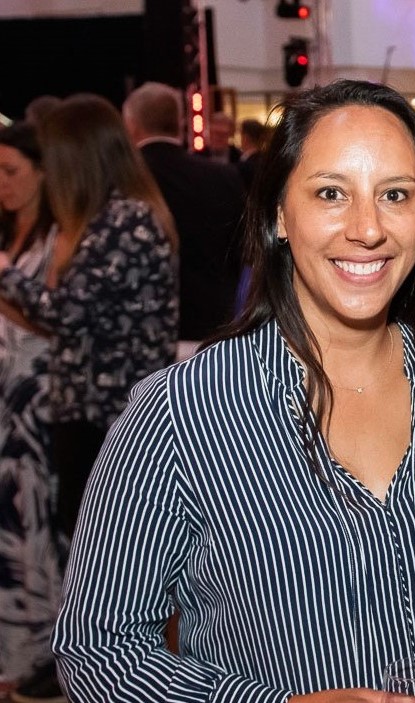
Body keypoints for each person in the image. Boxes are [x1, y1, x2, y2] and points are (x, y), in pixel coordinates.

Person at [50, 79, 415, 703]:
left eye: (395, 195)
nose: (367, 229)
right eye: (331, 194)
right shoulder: (181, 411)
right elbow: (96, 650)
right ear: (280, 214)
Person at [0, 94, 180, 702]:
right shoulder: (111, 216)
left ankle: (108, 673)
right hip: (90, 409)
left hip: (115, 416)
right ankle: (80, 663)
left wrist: (2, 270)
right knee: (81, 546)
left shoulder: (124, 219)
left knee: (109, 562)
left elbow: (69, 313)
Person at [0, 122, 60, 698]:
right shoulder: (13, 234)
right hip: (5, 408)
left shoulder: (60, 237)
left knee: (35, 531)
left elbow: (57, 321)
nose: (3, 184)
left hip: (35, 408)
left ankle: (40, 655)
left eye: (12, 171)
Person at [123, 82, 247, 350]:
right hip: (215, 329)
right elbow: (243, 251)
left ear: (131, 125)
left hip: (145, 336)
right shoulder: (223, 177)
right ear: (181, 123)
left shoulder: (124, 181)